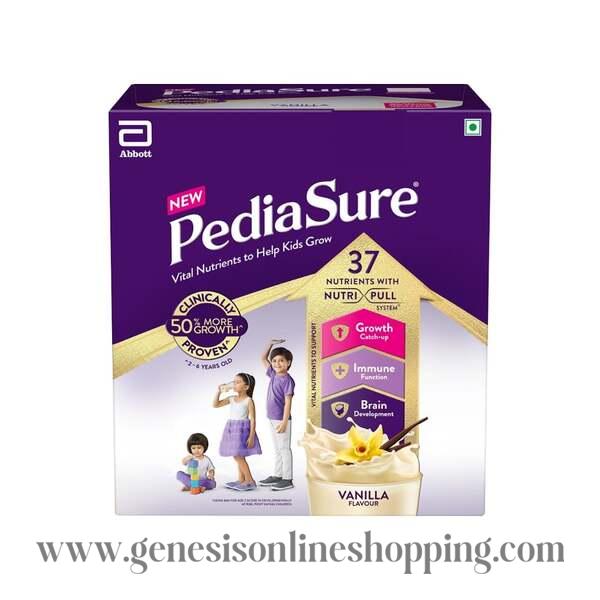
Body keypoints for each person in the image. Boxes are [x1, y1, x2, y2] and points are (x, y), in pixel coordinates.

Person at [214, 373, 262, 491]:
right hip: (232, 429)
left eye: (238, 382)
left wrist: (251, 436)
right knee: (238, 454)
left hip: (242, 430)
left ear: (246, 387)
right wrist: (219, 391)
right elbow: (215, 404)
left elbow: (253, 419)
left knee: (238, 456)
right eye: (234, 382)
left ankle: (250, 480)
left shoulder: (248, 400)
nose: (234, 384)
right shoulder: (231, 398)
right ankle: (241, 479)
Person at [259, 339, 295, 490]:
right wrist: (270, 343)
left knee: (284, 449)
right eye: (274, 360)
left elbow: (288, 402)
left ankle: (287, 479)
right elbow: (263, 358)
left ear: (288, 362)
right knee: (277, 449)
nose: (277, 363)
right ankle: (277, 475)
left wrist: (285, 422)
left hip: (281, 419)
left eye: (281, 360)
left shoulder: (288, 381)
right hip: (272, 418)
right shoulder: (273, 374)